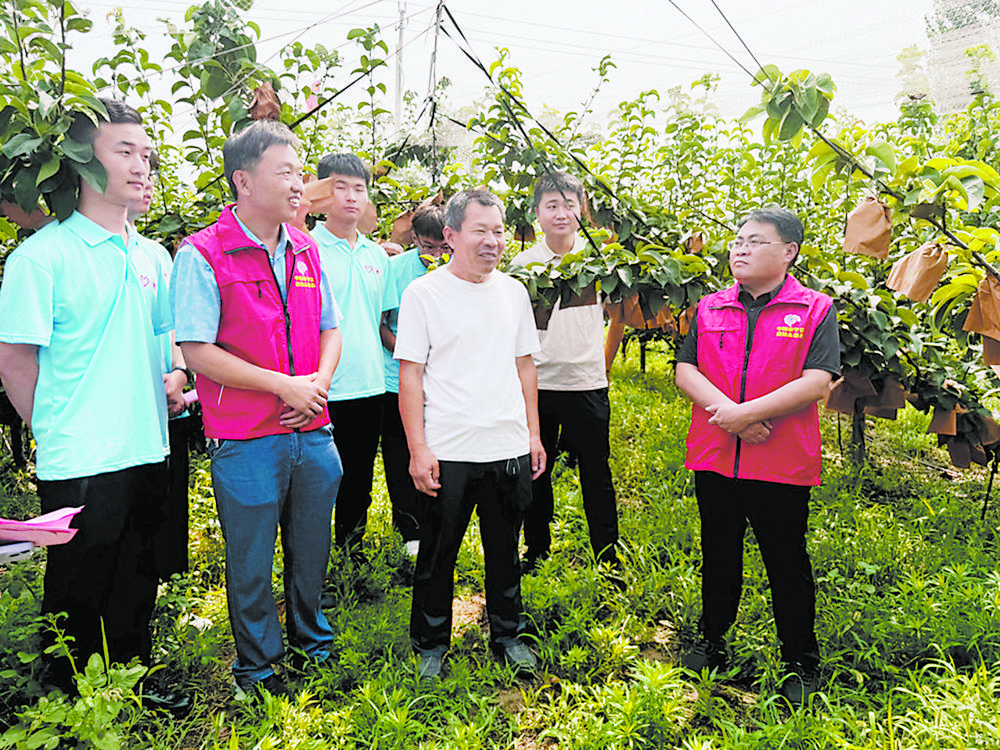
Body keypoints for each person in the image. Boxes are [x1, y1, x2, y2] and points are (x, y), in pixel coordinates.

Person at [0, 99, 171, 687]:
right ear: (81, 159)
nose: (141, 166)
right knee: (77, 585)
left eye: (145, 154)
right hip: (81, 453)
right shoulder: (42, 257)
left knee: (137, 578)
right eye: (124, 151)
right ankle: (67, 697)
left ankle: (131, 685)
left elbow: (164, 340)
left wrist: (174, 376)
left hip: (148, 444)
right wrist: (53, 425)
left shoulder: (153, 255)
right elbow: (14, 359)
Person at [170, 120, 343, 699]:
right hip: (245, 436)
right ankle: (258, 667)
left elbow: (330, 329)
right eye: (285, 172)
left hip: (311, 428)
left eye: (300, 171)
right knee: (249, 560)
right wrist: (282, 387)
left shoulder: (305, 247)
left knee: (311, 547)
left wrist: (313, 385)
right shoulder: (203, 252)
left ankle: (312, 644)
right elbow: (197, 351)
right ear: (243, 181)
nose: (299, 184)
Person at [674, 206, 840, 705]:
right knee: (718, 552)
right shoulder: (709, 307)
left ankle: (800, 660)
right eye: (738, 241)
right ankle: (712, 639)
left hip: (781, 459)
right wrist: (732, 414)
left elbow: (818, 379)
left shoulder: (814, 308)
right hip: (717, 453)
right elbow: (686, 368)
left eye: (754, 241)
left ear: (788, 251)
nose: (739, 249)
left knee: (786, 560)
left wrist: (745, 414)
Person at [394, 188, 546, 681]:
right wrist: (418, 448)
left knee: (505, 548)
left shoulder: (514, 292)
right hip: (449, 449)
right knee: (438, 553)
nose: (492, 241)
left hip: (506, 444)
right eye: (480, 230)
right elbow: (411, 376)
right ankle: (431, 643)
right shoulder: (424, 294)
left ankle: (507, 633)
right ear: (451, 235)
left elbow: (525, 367)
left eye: (498, 230)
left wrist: (533, 436)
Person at [510, 172, 619, 573]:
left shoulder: (598, 263)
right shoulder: (522, 267)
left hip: (586, 384)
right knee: (536, 471)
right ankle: (536, 550)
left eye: (569, 204)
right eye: (551, 205)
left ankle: (608, 554)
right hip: (537, 385)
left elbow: (618, 316)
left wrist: (602, 363)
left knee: (596, 470)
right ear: (536, 213)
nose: (561, 213)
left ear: (582, 210)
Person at [311, 153, 397, 559]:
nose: (350, 197)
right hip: (321, 386)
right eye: (340, 187)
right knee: (319, 478)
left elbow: (382, 321)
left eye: (359, 189)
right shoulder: (306, 248)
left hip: (370, 383)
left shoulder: (378, 257)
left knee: (359, 475)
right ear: (322, 193)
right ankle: (313, 555)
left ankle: (350, 551)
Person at [129, 161, 191, 581]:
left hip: (169, 403)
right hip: (130, 411)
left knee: (169, 499)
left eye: (152, 175)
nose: (146, 183)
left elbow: (172, 328)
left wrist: (181, 373)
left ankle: (169, 579)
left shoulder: (155, 255)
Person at [379, 205, 449, 556]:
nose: (435, 255)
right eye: (428, 247)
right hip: (399, 379)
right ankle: (408, 528)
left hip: (443, 380)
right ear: (414, 238)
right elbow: (382, 325)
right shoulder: (396, 270)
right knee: (400, 453)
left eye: (442, 248)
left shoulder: (459, 269)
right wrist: (408, 355)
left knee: (437, 450)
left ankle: (437, 522)